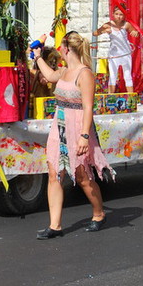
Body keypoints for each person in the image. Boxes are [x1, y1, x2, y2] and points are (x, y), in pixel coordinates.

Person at [31, 31, 115, 239]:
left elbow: (88, 108)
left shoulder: (84, 74)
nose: (59, 50)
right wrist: (38, 57)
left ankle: (99, 214)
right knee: (54, 174)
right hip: (58, 126)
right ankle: (55, 226)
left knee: (83, 177)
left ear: (67, 48)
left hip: (78, 127)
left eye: (60, 47)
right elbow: (49, 76)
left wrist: (84, 136)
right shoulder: (64, 71)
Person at [93, 4, 136, 93]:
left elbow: (134, 32)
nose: (119, 16)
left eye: (121, 14)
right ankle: (110, 96)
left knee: (127, 76)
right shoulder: (108, 25)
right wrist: (103, 31)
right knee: (112, 75)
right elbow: (95, 33)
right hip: (114, 54)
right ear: (113, 14)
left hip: (125, 54)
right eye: (116, 14)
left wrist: (135, 33)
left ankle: (131, 97)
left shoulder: (126, 25)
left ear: (124, 15)